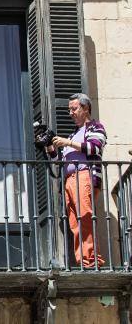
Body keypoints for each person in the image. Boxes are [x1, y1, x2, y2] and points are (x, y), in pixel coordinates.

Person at [48, 93, 106, 268]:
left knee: (85, 217)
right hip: (69, 180)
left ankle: (91, 260)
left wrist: (67, 142)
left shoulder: (95, 127)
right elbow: (57, 160)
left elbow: (94, 147)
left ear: (85, 108)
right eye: (69, 110)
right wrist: (49, 145)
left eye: (74, 109)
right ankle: (82, 260)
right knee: (75, 222)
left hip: (84, 175)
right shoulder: (74, 134)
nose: (70, 113)